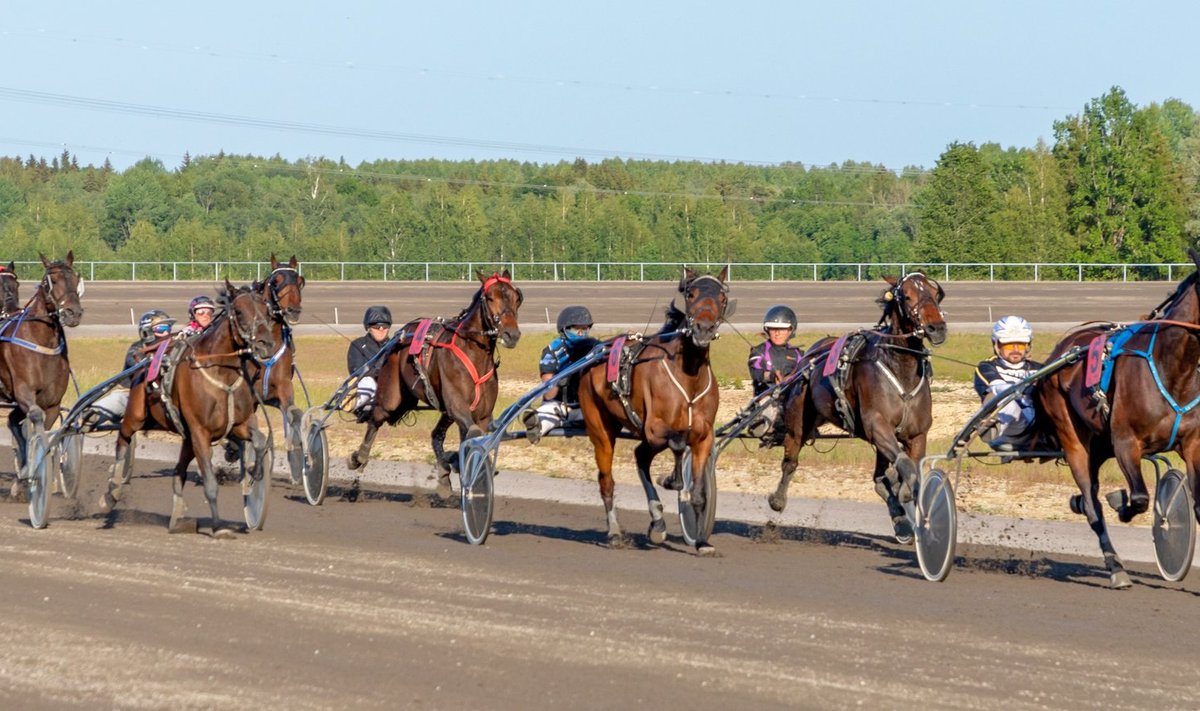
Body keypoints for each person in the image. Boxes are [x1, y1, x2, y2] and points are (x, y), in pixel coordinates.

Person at [84, 309, 176, 426]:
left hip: (161, 397)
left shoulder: (173, 349)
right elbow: (137, 364)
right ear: (147, 332)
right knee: (110, 405)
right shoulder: (137, 349)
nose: (166, 334)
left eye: (168, 329)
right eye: (161, 329)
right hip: (129, 394)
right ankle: (93, 415)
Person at [523, 305, 600, 444]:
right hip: (558, 406)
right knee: (546, 414)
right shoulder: (553, 351)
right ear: (564, 330)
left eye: (585, 329)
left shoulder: (596, 348)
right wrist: (561, 381)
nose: (581, 334)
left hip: (585, 407)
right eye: (577, 329)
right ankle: (536, 425)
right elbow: (548, 393)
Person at [973, 315, 1044, 450]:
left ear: (1028, 345)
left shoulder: (1039, 368)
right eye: (1010, 345)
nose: (1016, 350)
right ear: (997, 345)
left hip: (1038, 424)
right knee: (1006, 400)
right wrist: (1028, 388)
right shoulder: (987, 367)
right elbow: (998, 388)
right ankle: (990, 428)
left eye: (1021, 344)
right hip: (1008, 427)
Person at [745, 305, 802, 440]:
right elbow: (756, 372)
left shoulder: (798, 354)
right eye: (773, 329)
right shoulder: (758, 351)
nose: (777, 333)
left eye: (782, 329)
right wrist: (771, 376)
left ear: (791, 330)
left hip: (791, 397)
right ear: (767, 330)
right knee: (770, 409)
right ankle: (765, 424)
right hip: (766, 396)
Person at [347, 305, 392, 418]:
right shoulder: (357, 345)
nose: (381, 329)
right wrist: (378, 373)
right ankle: (354, 402)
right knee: (368, 381)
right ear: (368, 327)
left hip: (390, 387)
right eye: (376, 326)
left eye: (385, 326)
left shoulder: (395, 346)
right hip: (369, 385)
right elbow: (356, 370)